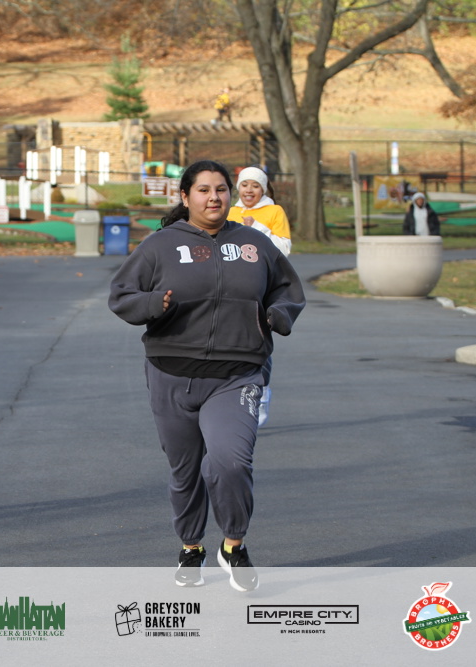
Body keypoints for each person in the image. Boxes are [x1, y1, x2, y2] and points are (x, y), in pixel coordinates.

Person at [109, 160, 305, 591]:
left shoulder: (254, 243)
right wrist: (152, 305)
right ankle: (191, 546)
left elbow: (287, 289)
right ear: (185, 197)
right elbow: (122, 294)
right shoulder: (160, 245)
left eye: (221, 189)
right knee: (185, 471)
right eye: (203, 190)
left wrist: (278, 314)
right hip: (171, 374)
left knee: (231, 461)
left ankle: (234, 544)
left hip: (238, 373)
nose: (214, 197)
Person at [227, 166, 292, 426]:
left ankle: (261, 392)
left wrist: (255, 230)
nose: (249, 190)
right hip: (231, 286)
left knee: (257, 338)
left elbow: (284, 248)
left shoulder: (274, 211)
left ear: (263, 189)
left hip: (261, 285)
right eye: (245, 185)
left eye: (255, 185)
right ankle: (230, 395)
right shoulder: (230, 212)